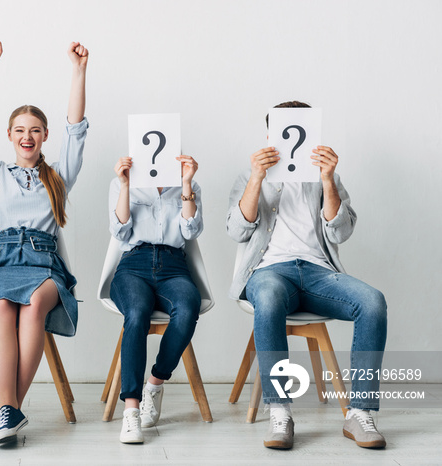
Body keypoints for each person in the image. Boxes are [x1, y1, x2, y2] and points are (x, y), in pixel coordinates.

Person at [226, 101, 387, 450]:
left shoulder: (325, 177)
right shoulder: (248, 175)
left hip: (319, 273)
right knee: (268, 299)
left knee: (373, 301)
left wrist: (328, 180)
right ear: (271, 135)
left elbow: (340, 232)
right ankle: (280, 412)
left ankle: (360, 413)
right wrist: (256, 177)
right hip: (269, 271)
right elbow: (237, 230)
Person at [0, 38, 89, 445]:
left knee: (34, 304)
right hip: (1, 263)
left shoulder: (58, 176)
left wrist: (78, 71)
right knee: (2, 306)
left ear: (44, 136)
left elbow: (77, 131)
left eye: (35, 130)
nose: (27, 136)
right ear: (9, 135)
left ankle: (6, 413)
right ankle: (11, 411)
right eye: (19, 130)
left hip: (45, 266)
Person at [108, 154, 202, 444]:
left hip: (174, 266)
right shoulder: (121, 183)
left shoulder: (190, 184)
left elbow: (192, 230)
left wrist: (186, 183)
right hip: (133, 265)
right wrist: (125, 186)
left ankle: (155, 383)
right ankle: (131, 411)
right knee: (136, 314)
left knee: (187, 309)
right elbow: (120, 231)